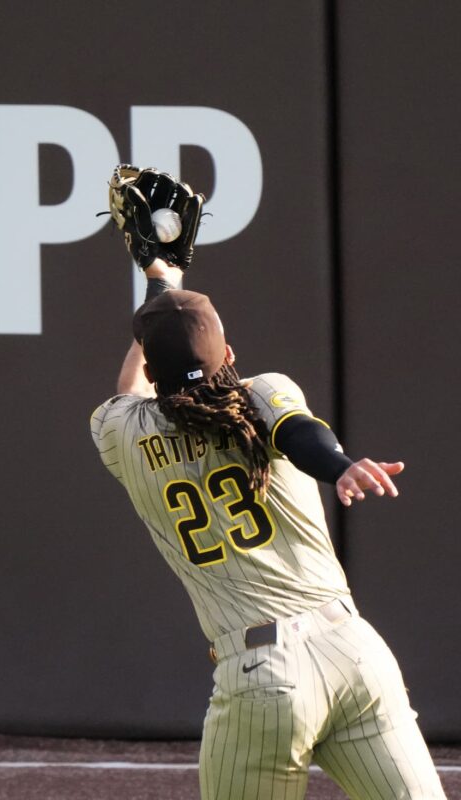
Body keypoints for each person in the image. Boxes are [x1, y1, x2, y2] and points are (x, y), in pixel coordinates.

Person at [91, 169, 445, 799]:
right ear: (229, 356)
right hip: (354, 652)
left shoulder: (124, 430)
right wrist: (341, 467)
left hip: (262, 675)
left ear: (152, 363)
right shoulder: (260, 391)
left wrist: (160, 283)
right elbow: (295, 432)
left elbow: (133, 389)